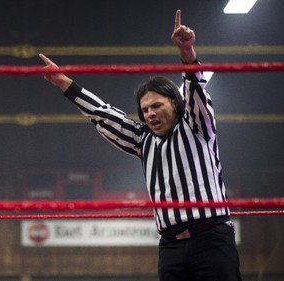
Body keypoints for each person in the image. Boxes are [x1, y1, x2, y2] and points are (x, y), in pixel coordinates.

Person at [39, 9, 242, 281]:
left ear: (175, 103)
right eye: (145, 110)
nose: (150, 114)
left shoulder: (196, 126)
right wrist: (64, 83)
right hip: (171, 245)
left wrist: (187, 54)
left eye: (156, 105)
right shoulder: (143, 138)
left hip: (211, 238)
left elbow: (196, 91)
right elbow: (103, 114)